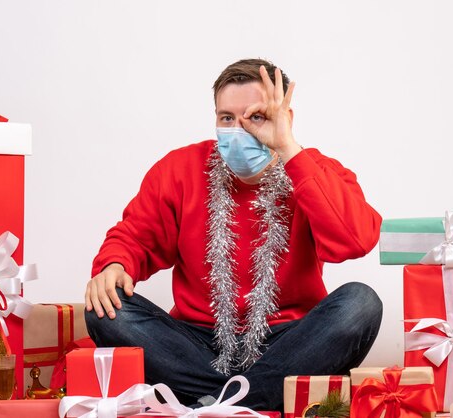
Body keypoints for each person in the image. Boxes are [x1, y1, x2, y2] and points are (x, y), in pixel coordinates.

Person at [85, 58, 383, 411]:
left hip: (289, 341)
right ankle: (245, 400)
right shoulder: (180, 168)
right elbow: (134, 235)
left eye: (256, 117)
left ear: (285, 118)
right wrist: (116, 264)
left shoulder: (316, 169)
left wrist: (289, 151)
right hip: (196, 342)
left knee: (361, 304)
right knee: (105, 308)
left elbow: (356, 239)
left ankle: (211, 403)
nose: (239, 131)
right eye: (227, 118)